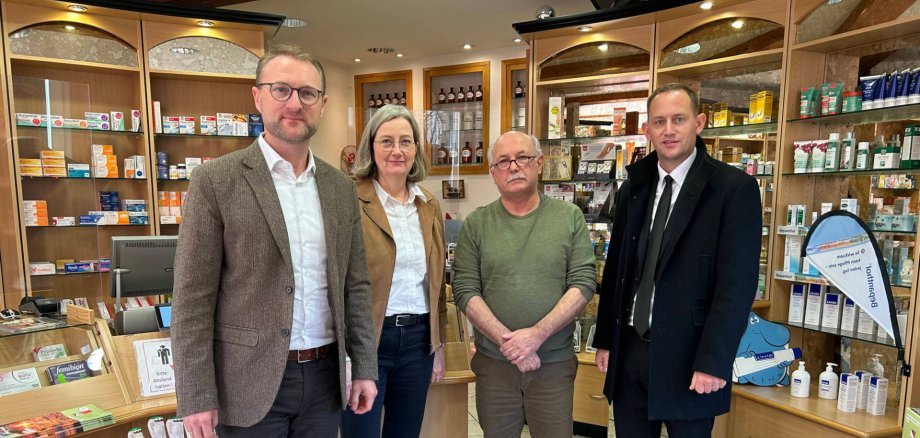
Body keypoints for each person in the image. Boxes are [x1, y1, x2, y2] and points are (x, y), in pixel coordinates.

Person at [171, 44, 378, 438]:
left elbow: (356, 286)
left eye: (307, 93)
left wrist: (364, 367)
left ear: (323, 103)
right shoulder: (216, 181)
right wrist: (196, 393)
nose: (294, 103)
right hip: (246, 382)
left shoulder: (340, 188)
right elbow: (192, 298)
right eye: (281, 89)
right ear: (258, 96)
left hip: (324, 383)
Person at [593, 83, 761, 437]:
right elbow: (617, 271)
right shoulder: (633, 187)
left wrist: (714, 362)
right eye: (659, 122)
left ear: (699, 123)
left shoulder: (732, 189)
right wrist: (607, 340)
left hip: (692, 359)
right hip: (631, 354)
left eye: (678, 119)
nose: (668, 130)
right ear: (647, 130)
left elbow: (736, 285)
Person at [452, 131, 597, 437]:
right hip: (495, 365)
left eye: (522, 158)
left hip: (553, 365)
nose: (513, 167)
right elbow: (465, 289)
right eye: (503, 162)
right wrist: (512, 344)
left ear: (540, 163)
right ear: (493, 173)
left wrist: (535, 336)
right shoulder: (476, 224)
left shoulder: (569, 217)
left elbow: (583, 282)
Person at [340, 104, 448, 437]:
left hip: (417, 342)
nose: (397, 151)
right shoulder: (348, 200)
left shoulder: (427, 204)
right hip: (367, 341)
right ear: (370, 147)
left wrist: (438, 345)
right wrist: (345, 357)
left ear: (417, 148)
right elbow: (337, 283)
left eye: (406, 141)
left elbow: (436, 283)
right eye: (386, 141)